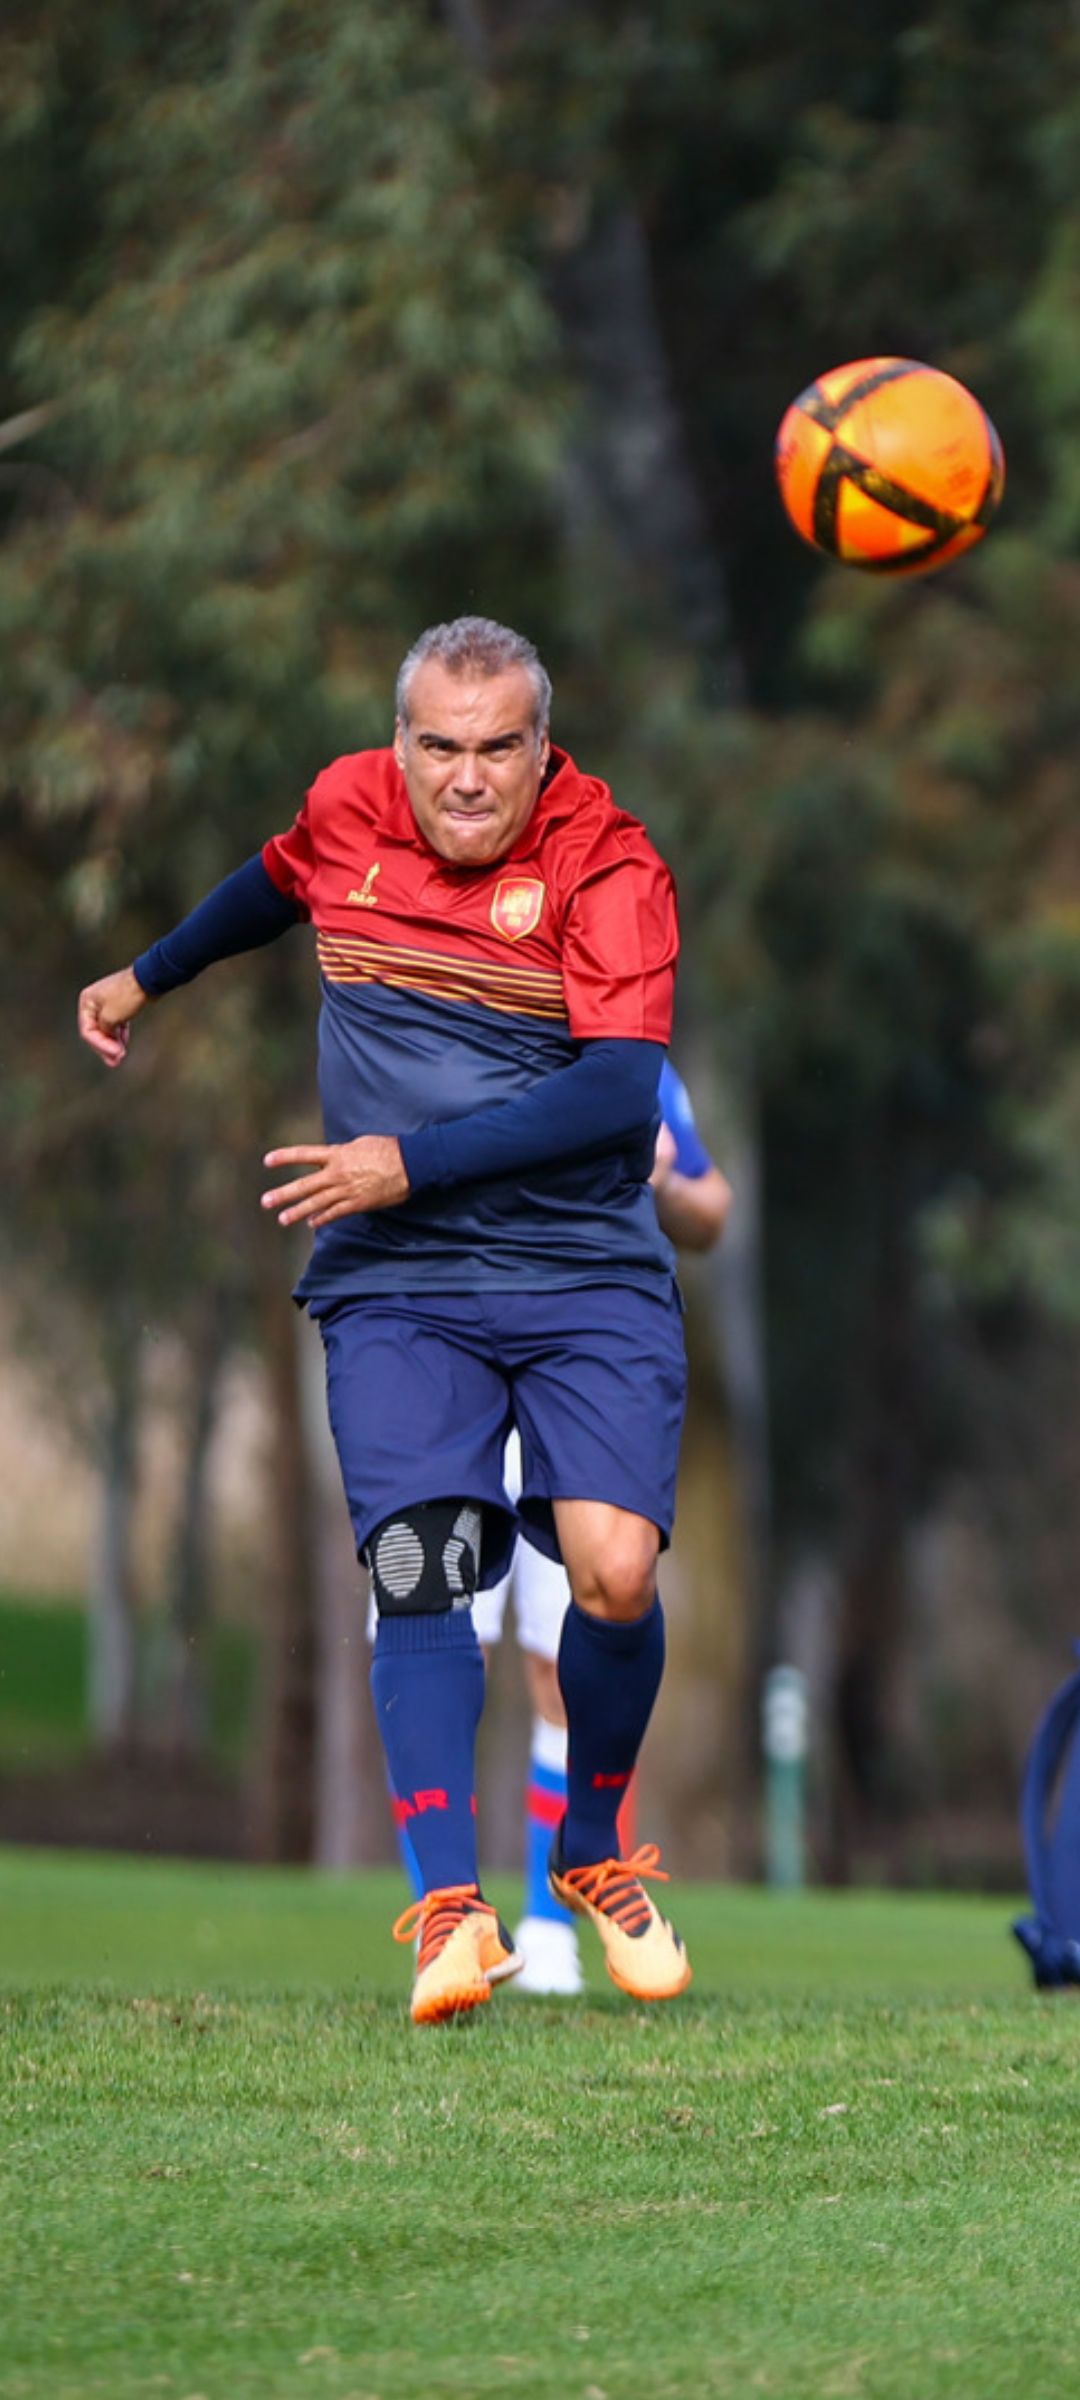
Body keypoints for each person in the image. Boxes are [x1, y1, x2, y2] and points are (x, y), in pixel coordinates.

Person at [78, 614, 692, 2028]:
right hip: (399, 1275)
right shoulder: (346, 805)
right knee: (424, 1560)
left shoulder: (610, 865)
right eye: (439, 746)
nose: (467, 777)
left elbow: (617, 1089)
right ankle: (450, 1912)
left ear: (544, 747)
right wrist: (146, 974)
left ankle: (592, 1845)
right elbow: (270, 883)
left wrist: (405, 1160)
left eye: (499, 748)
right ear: (398, 742)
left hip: (581, 1266)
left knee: (614, 1573)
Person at [473, 1064, 730, 1997]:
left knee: (568, 1653)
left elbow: (710, 1205)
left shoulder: (631, 1055)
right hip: (456, 1348)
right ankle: (448, 1914)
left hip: (580, 1369)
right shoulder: (455, 1018)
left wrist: (657, 1177)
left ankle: (551, 1928)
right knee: (444, 1640)